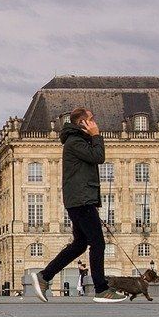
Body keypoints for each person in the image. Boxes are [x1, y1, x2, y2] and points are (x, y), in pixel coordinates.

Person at [29, 107, 126, 303]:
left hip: (80, 198)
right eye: (92, 119)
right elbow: (98, 157)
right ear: (82, 122)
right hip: (81, 199)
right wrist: (96, 135)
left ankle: (44, 276)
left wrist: (91, 137)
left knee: (80, 244)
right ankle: (101, 289)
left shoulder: (78, 141)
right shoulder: (74, 142)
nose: (95, 122)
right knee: (97, 242)